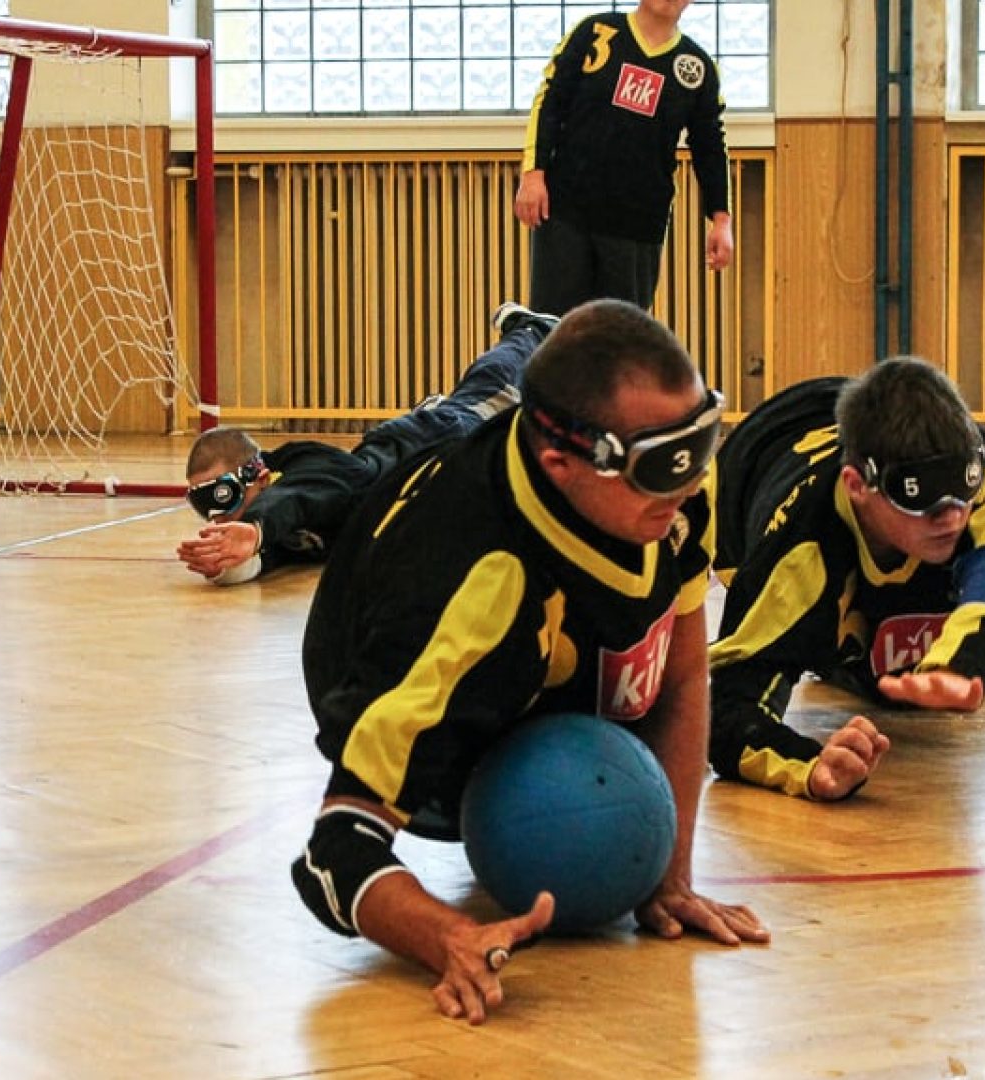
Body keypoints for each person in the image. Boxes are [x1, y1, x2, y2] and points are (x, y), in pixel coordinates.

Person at [291, 299, 768, 1023]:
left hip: (540, 639)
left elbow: (681, 671)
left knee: (614, 673)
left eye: (703, 441)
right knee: (517, 648)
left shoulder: (671, 490)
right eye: (667, 461)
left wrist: (670, 878)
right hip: (403, 666)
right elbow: (334, 855)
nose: (693, 480)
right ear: (562, 460)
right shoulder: (466, 597)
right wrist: (447, 935)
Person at [706, 360, 985, 802]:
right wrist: (809, 765)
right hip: (752, 464)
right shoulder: (795, 557)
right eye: (918, 495)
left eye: (963, 486)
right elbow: (728, 717)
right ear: (858, 486)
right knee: (854, 663)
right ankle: (840, 651)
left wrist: (970, 657)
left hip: (863, 434)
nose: (952, 514)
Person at [176, 305, 556, 585]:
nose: (217, 518)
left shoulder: (307, 466)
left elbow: (301, 496)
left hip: (437, 440)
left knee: (491, 387)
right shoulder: (277, 526)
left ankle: (530, 329)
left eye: (222, 497)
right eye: (203, 507)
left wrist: (256, 528)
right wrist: (225, 563)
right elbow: (268, 557)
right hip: (437, 493)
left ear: (256, 473)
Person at [513, 0, 731, 315]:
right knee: (554, 332)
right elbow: (550, 99)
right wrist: (534, 173)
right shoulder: (595, 31)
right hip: (567, 212)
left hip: (638, 225)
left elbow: (710, 145)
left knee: (621, 339)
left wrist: (721, 219)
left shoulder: (697, 67)